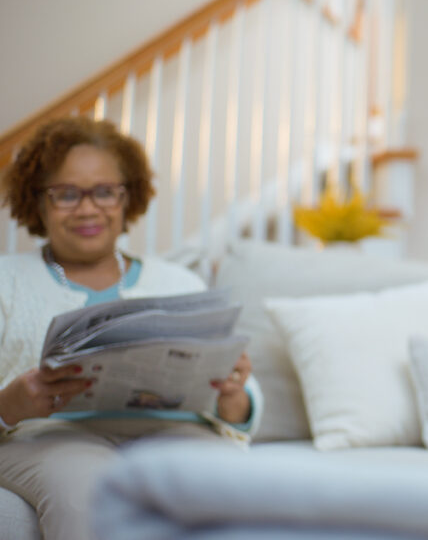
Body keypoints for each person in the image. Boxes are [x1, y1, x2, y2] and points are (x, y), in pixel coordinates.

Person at [0, 117, 263, 539]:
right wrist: (9, 405)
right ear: (38, 203)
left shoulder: (178, 281)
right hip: (48, 437)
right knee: (89, 491)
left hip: (176, 431)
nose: (88, 208)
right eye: (66, 194)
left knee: (230, 483)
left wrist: (233, 397)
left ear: (128, 198)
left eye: (104, 191)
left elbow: (245, 408)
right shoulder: (5, 282)